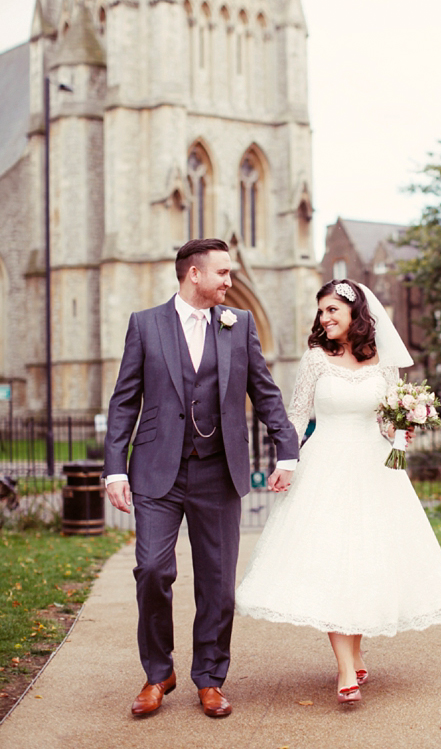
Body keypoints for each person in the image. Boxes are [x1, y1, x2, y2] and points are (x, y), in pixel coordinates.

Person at [236, 279, 441, 705]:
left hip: (375, 470)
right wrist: (285, 462)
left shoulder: (383, 363)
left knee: (362, 562)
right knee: (330, 560)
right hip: (324, 466)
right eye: (321, 312)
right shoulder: (315, 360)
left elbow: (385, 420)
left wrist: (402, 427)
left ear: (354, 313)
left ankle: (354, 653)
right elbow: (296, 414)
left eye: (332, 311)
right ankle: (346, 670)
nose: (324, 318)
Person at [104, 238, 298, 718]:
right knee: (152, 569)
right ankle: (158, 673)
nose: (230, 282)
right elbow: (125, 400)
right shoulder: (145, 325)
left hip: (219, 469)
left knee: (217, 584)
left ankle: (210, 678)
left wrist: (287, 451)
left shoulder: (240, 324)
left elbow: (266, 392)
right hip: (155, 469)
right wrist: (114, 468)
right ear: (194, 274)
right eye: (223, 273)